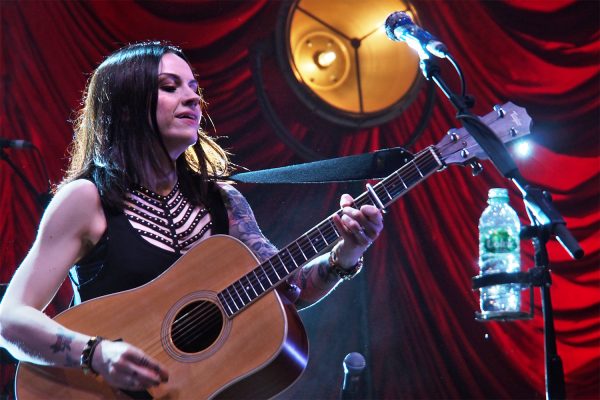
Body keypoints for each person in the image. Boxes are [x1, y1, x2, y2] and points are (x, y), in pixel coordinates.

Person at [0, 41, 383, 393]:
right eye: (170, 87)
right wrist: (97, 354)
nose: (193, 99)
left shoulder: (223, 201)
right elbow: (10, 319)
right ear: (127, 106)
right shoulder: (87, 200)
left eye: (193, 87)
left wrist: (344, 254)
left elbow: (289, 288)